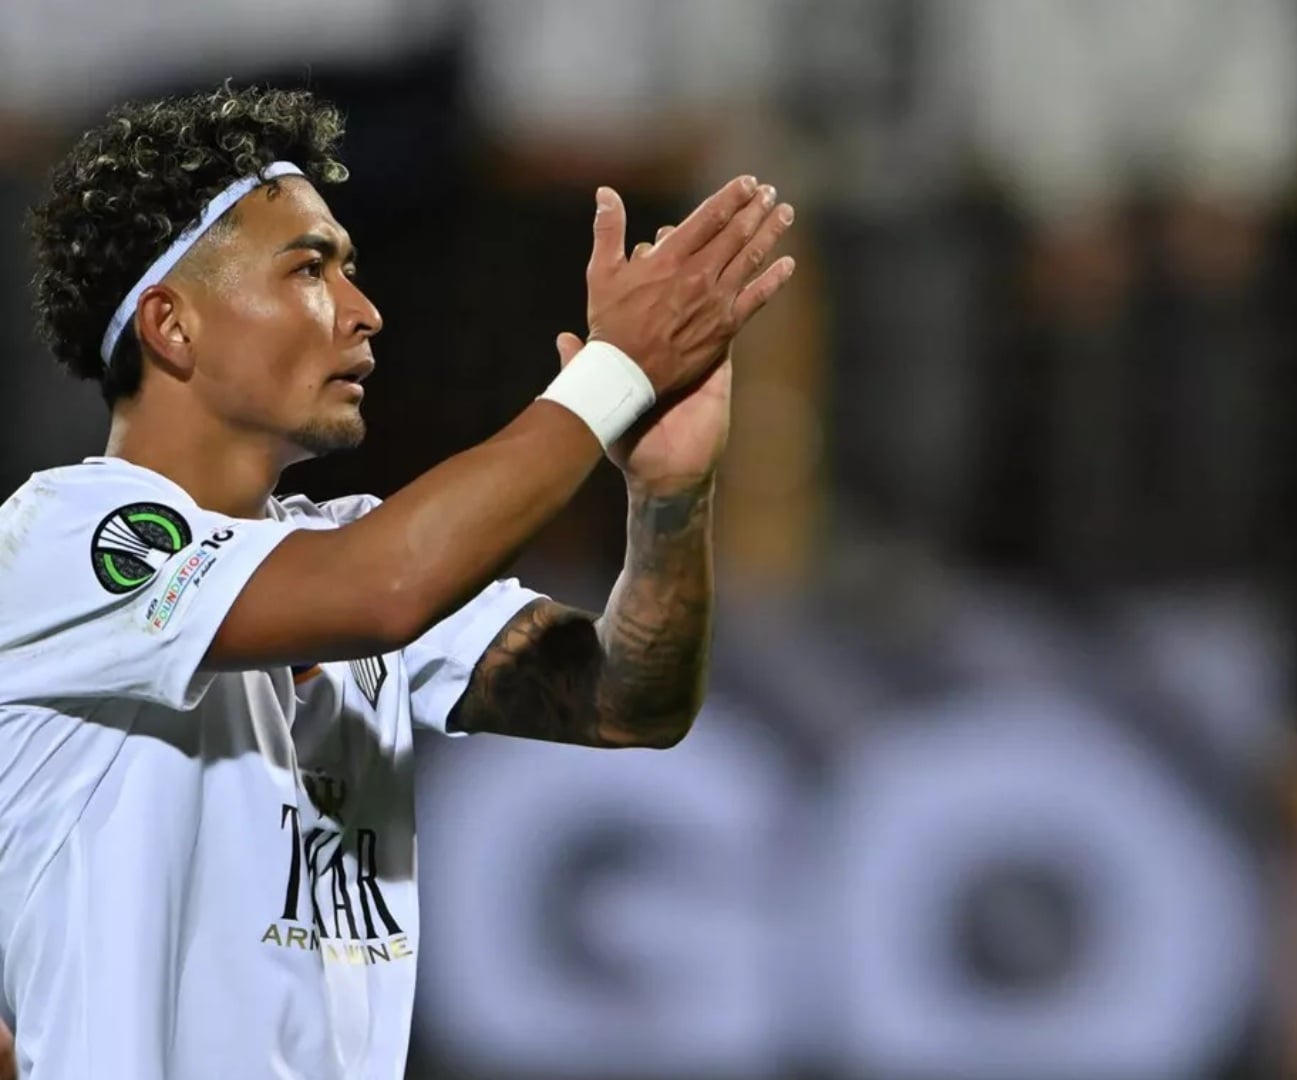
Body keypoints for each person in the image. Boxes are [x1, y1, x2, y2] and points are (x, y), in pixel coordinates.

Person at [0, 84, 795, 1077]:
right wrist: (612, 374)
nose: (365, 312)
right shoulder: (70, 540)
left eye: (352, 270)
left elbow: (627, 699)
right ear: (172, 324)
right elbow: (384, 590)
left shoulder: (337, 541)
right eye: (310, 269)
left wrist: (668, 496)